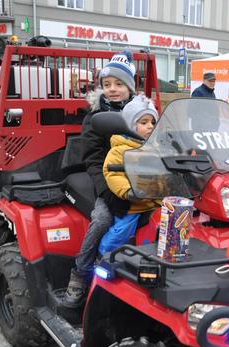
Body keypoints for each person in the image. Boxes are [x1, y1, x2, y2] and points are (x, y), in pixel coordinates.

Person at [66, 50, 137, 305]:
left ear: (130, 86)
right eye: (107, 85)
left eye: (119, 84)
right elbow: (93, 160)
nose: (112, 90)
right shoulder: (95, 117)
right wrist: (107, 192)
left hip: (141, 179)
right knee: (103, 217)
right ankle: (80, 272)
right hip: (108, 180)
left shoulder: (142, 114)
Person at [99, 95, 162, 253]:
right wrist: (128, 191)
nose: (150, 126)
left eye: (153, 122)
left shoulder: (159, 147)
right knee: (120, 233)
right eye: (144, 122)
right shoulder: (120, 150)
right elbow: (111, 174)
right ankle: (104, 258)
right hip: (135, 205)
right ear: (130, 125)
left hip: (158, 202)